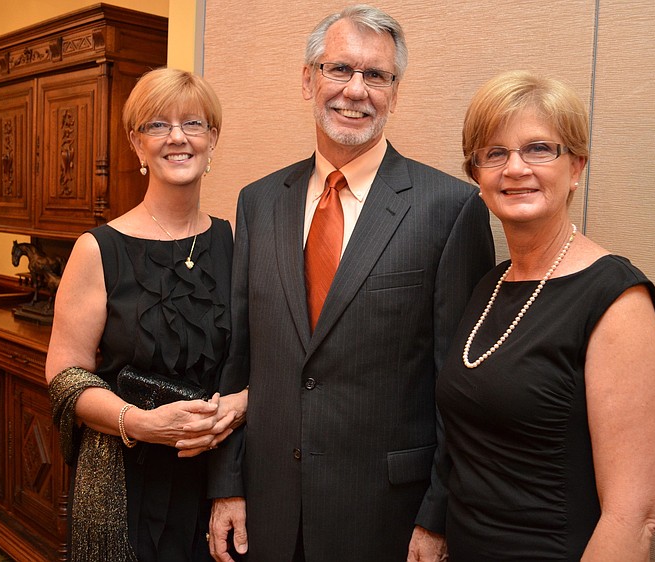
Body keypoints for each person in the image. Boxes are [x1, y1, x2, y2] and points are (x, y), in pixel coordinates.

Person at [208, 5, 495, 562]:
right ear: (308, 79)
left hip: (386, 515)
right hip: (269, 506)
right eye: (339, 69)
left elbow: (458, 389)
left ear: (395, 91)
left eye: (377, 75)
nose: (355, 90)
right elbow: (238, 360)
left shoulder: (449, 209)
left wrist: (437, 518)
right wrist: (228, 483)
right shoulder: (259, 202)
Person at [436, 70, 655, 560]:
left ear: (577, 167)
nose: (515, 168)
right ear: (476, 175)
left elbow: (636, 514)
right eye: (494, 153)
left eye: (539, 149)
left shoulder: (616, 299)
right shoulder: (489, 286)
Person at [45, 67, 247, 562]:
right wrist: (140, 423)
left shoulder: (234, 241)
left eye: (193, 124)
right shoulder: (97, 249)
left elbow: (260, 357)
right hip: (123, 475)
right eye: (157, 125)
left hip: (216, 475)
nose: (177, 137)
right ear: (136, 144)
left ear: (212, 138)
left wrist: (239, 405)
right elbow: (64, 375)